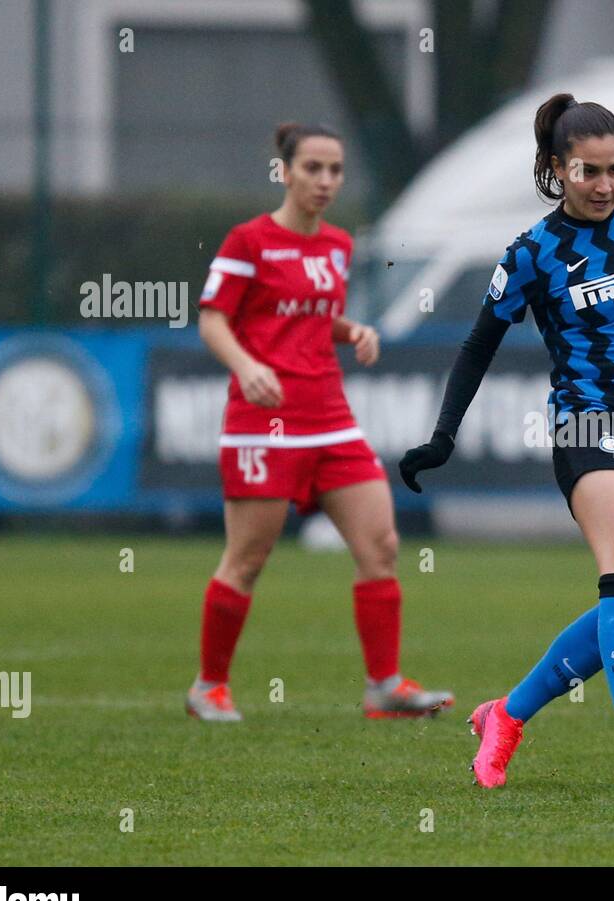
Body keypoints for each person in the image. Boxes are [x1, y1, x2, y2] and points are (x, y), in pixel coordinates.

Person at [399, 94, 614, 787]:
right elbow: (478, 346)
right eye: (589, 171)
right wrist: (443, 436)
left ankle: (506, 714)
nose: (604, 185)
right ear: (558, 168)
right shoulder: (534, 253)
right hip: (587, 422)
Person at [187, 121, 452, 722]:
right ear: (284, 172)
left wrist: (351, 329)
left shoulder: (336, 244)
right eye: (313, 168)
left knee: (380, 545)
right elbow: (213, 320)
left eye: (335, 170)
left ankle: (383, 687)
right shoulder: (247, 241)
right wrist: (245, 365)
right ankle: (209, 687)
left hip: (330, 419)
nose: (326, 180)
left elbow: (311, 314)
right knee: (248, 560)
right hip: (264, 423)